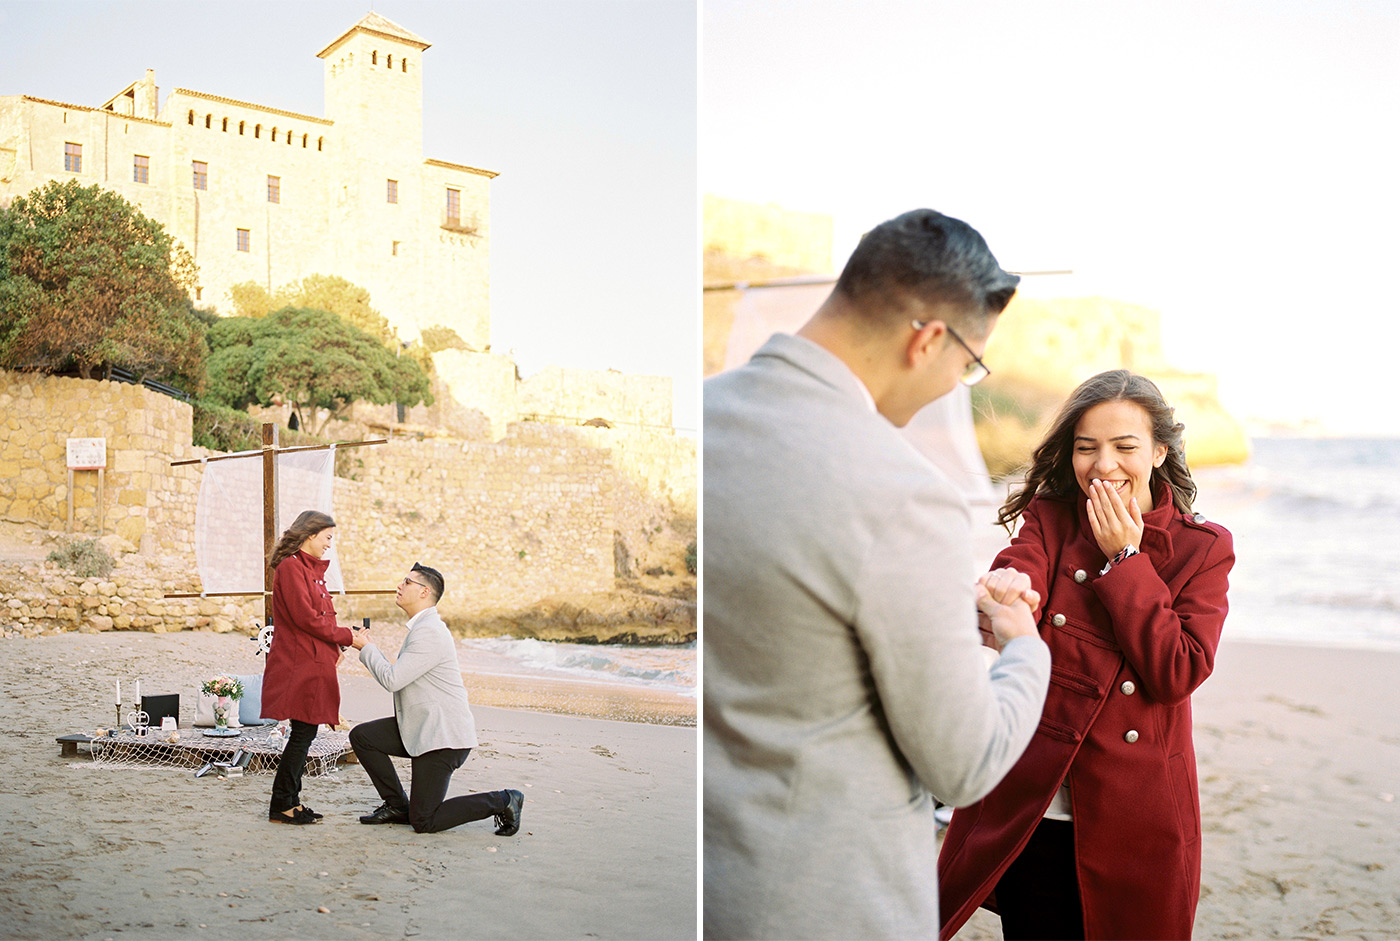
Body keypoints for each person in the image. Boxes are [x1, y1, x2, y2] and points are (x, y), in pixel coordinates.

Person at [703, 208, 1053, 940]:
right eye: (968, 365)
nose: (956, 384)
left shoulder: (700, 419)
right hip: (824, 901)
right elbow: (966, 761)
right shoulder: (904, 491)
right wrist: (1024, 649)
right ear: (928, 339)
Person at [937, 370, 1236, 940]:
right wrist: (1007, 591)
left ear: (1158, 451)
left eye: (1125, 447)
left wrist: (1124, 558)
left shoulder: (1204, 547)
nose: (1103, 465)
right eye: (1086, 448)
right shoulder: (1051, 519)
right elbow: (1020, 567)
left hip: (1136, 805)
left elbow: (1177, 670)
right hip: (1036, 801)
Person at [348, 563, 524, 836]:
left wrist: (368, 648)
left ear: (424, 592)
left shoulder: (430, 631)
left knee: (424, 821)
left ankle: (504, 800)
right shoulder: (422, 628)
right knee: (363, 736)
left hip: (442, 739)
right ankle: (397, 805)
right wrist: (371, 649)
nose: (399, 586)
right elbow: (399, 675)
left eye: (406, 582)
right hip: (420, 727)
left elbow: (393, 680)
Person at [261, 509, 358, 825]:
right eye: (328, 537)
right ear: (310, 534)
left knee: (304, 732)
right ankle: (282, 805)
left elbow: (318, 619)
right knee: (303, 734)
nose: (330, 544)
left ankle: (290, 801)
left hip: (310, 661)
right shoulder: (291, 568)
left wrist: (336, 645)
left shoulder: (307, 570)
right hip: (298, 663)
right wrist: (349, 637)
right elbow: (306, 618)